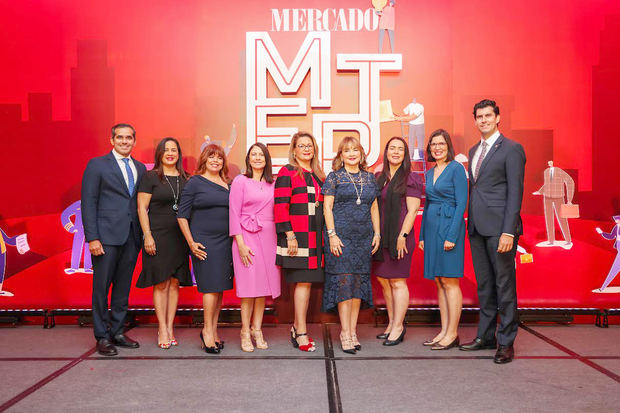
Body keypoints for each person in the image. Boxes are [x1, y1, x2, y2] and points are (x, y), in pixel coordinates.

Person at [460, 99, 526, 364]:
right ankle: (486, 336)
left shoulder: (512, 149)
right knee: (485, 286)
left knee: (504, 285)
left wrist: (508, 232)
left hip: (500, 229)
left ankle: (506, 341)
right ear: (475, 120)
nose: (484, 120)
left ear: (498, 118)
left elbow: (515, 193)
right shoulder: (474, 149)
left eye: (488, 115)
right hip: (476, 227)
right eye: (479, 116)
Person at [81, 123, 147, 356]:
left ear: (134, 141)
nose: (124, 141)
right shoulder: (97, 165)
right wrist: (93, 238)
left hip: (131, 236)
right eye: (120, 137)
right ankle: (101, 336)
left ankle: (118, 331)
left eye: (129, 138)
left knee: (122, 288)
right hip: (106, 237)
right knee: (101, 288)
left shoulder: (139, 167)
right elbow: (88, 203)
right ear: (111, 140)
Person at [322, 137, 381, 354]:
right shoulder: (334, 177)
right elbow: (327, 208)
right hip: (341, 239)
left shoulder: (369, 178)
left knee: (357, 286)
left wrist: (377, 233)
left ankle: (353, 331)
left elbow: (374, 208)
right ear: (341, 155)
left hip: (363, 239)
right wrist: (332, 235)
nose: (352, 154)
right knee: (345, 285)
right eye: (347, 150)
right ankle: (344, 332)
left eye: (355, 150)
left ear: (362, 153)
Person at [136, 137, 192, 349]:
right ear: (160, 153)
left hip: (180, 236)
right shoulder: (151, 177)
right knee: (161, 282)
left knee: (175, 282)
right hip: (157, 234)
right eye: (166, 150)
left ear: (179, 154)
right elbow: (142, 208)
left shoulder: (186, 178)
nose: (170, 153)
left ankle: (170, 326)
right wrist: (147, 235)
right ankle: (162, 328)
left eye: (174, 150)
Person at [177, 144, 233, 354]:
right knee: (210, 288)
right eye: (212, 157)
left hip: (225, 242)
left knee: (219, 289)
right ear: (204, 160)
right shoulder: (195, 182)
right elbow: (182, 216)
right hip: (204, 242)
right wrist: (191, 243)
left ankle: (214, 330)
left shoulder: (228, 183)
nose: (216, 161)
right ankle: (206, 331)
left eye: (219, 158)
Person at [274, 132, 326, 352]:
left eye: (310, 145)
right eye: (301, 145)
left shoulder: (318, 175)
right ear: (294, 150)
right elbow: (280, 206)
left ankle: (297, 327)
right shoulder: (287, 172)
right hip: (298, 237)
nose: (306, 149)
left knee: (307, 283)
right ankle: (301, 331)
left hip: (315, 238)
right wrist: (290, 235)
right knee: (302, 283)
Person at [229, 143, 281, 352]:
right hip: (246, 237)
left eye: (261, 155)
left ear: (267, 159)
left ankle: (257, 329)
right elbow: (233, 212)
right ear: (248, 159)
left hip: (269, 237)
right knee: (249, 288)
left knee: (263, 288)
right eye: (254, 154)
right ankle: (244, 331)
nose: (258, 158)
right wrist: (240, 243)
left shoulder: (273, 183)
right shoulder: (240, 181)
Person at [419, 130, 468, 350]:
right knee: (439, 280)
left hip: (449, 227)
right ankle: (444, 330)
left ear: (448, 146)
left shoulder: (457, 169)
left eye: (441, 143)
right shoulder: (429, 173)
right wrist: (421, 235)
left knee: (450, 280)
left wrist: (452, 234)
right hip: (431, 228)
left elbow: (461, 204)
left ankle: (453, 333)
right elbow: (427, 204)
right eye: (433, 144)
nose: (437, 147)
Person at [373, 137, 423, 346]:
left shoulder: (410, 178)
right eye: (391, 148)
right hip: (381, 235)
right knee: (384, 280)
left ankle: (399, 326)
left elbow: (412, 211)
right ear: (386, 152)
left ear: (405, 154)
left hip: (401, 236)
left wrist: (402, 236)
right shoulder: (379, 177)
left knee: (398, 281)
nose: (395, 152)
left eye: (400, 149)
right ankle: (392, 322)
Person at [533, 160, 574, 249]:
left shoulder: (560, 171)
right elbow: (547, 184)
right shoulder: (546, 172)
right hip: (547, 197)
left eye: (551, 161)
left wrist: (569, 199)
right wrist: (540, 191)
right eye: (548, 162)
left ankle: (568, 240)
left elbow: (570, 181)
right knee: (548, 218)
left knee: (562, 218)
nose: (549, 163)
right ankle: (551, 240)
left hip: (559, 197)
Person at [595, 215, 620, 291]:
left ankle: (603, 288)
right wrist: (602, 233)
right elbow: (611, 236)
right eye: (615, 220)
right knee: (616, 267)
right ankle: (603, 287)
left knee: (615, 267)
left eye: (617, 220)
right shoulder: (616, 227)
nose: (616, 221)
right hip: (619, 246)